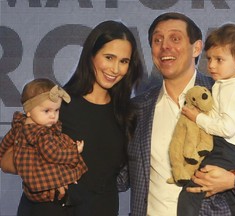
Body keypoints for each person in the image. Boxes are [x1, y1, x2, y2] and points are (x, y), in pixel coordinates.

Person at [128, 12, 235, 216]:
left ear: (197, 48)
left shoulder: (224, 91)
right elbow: (118, 175)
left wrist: (234, 178)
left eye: (175, 38)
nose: (165, 46)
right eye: (157, 40)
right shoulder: (138, 108)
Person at [1, 20, 143, 216]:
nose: (115, 69)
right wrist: (48, 172)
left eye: (124, 61)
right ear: (91, 55)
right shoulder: (58, 106)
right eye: (109, 57)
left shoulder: (127, 113)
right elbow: (6, 161)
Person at [178, 23, 235, 216]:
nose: (211, 65)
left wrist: (198, 117)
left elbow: (229, 129)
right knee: (233, 199)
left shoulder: (229, 88)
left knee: (191, 190)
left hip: (230, 146)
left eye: (219, 59)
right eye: (210, 58)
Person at [0, 78, 87, 208]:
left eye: (56, 110)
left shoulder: (19, 126)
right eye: (47, 111)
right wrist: (74, 151)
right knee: (67, 168)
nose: (53, 116)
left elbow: (4, 145)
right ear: (28, 111)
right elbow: (53, 154)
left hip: (31, 185)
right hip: (44, 181)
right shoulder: (42, 134)